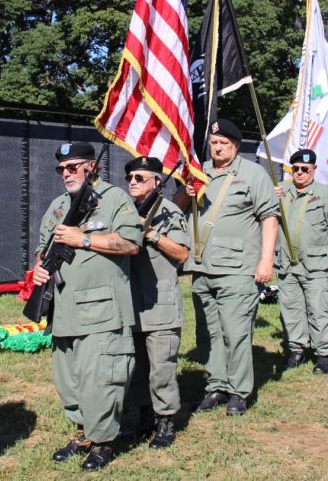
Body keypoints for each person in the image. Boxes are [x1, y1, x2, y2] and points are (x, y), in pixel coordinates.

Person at [32, 142, 142, 471]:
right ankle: (83, 433)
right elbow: (42, 248)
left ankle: (104, 441)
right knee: (70, 380)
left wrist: (83, 238)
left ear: (91, 166)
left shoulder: (114, 199)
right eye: (61, 169)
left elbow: (130, 243)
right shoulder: (57, 206)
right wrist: (39, 266)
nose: (65, 173)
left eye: (72, 167)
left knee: (100, 379)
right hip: (64, 310)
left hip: (102, 309)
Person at [181, 119, 279, 416]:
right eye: (214, 143)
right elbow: (181, 209)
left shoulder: (252, 174)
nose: (218, 147)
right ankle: (217, 386)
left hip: (238, 269)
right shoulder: (200, 173)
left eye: (224, 142)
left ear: (236, 145)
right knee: (208, 334)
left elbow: (269, 217)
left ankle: (239, 391)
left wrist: (266, 259)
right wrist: (186, 192)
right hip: (202, 266)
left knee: (235, 332)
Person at [123, 156, 189, 449]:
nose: (133, 182)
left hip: (160, 304)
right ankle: (144, 417)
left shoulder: (169, 212)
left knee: (161, 368)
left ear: (157, 182)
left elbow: (181, 254)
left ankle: (166, 422)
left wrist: (150, 233)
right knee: (137, 368)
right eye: (130, 178)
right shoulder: (124, 211)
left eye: (140, 177)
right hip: (131, 304)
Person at [274, 150, 328, 374]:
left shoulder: (326, 195)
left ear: (314, 170)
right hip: (287, 263)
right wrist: (270, 195)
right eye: (295, 169)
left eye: (304, 169)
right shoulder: (281, 191)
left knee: (319, 309)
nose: (299, 173)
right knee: (291, 308)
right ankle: (297, 349)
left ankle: (324, 354)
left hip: (316, 265)